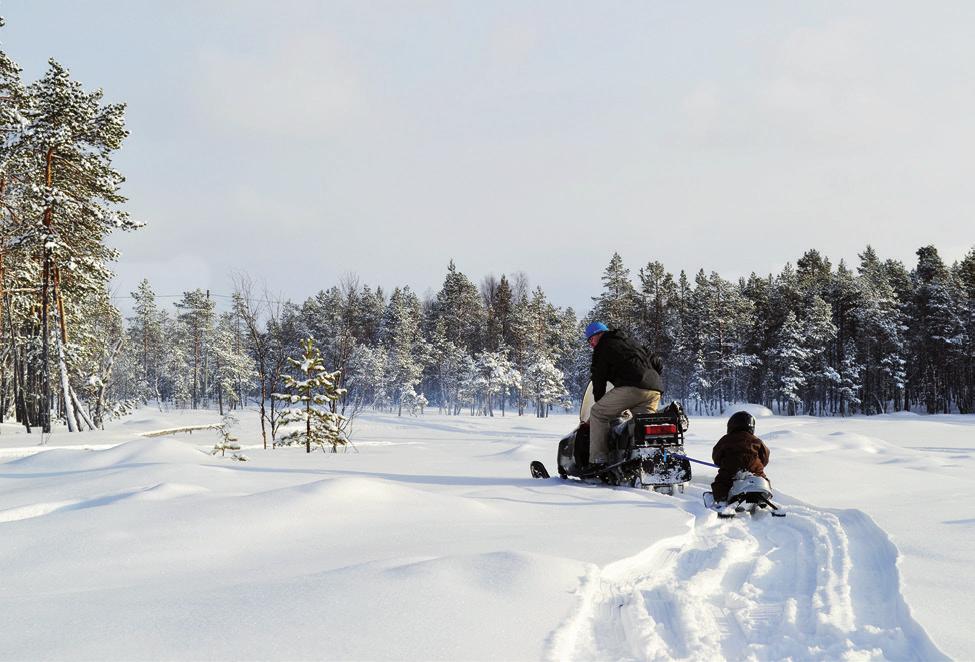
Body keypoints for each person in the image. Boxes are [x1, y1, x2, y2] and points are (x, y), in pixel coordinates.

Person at [585, 322, 663, 467]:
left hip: (633, 386)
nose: (591, 344)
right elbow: (657, 362)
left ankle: (598, 460)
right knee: (639, 426)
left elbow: (599, 376)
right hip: (654, 389)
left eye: (590, 340)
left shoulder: (604, 346)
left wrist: (599, 400)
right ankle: (641, 459)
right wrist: (650, 380)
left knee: (598, 413)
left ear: (598, 334)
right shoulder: (630, 342)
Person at [711, 411, 770, 503]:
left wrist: (721, 463)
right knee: (763, 478)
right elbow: (765, 457)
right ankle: (763, 496)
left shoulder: (725, 439)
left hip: (731, 469)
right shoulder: (756, 440)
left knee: (721, 483)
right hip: (755, 470)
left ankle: (721, 500)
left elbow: (716, 456)